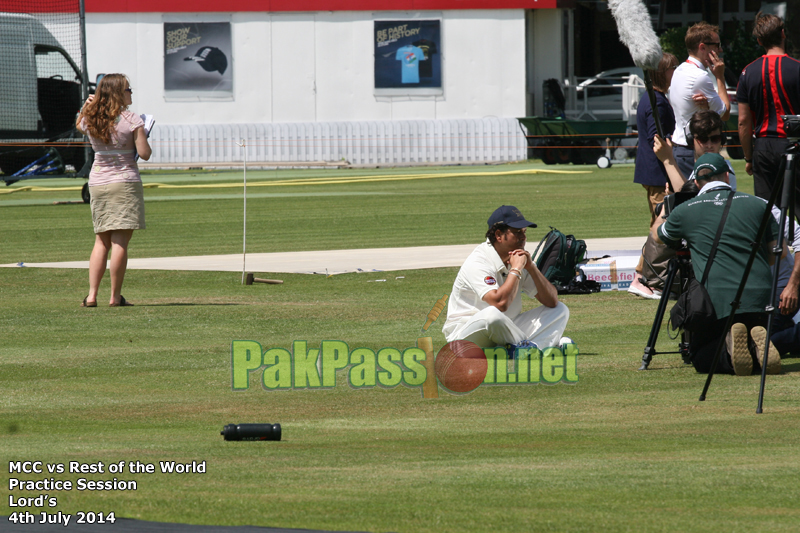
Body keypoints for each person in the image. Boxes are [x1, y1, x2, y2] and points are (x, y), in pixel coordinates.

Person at [653, 153, 782, 375]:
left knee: (701, 356)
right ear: (726, 177)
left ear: (695, 182)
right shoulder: (759, 205)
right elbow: (776, 255)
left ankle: (730, 355)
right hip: (761, 298)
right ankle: (754, 343)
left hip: (717, 302)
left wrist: (665, 207)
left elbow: (658, 237)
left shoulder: (686, 210)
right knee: (749, 326)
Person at [442, 206, 570, 351]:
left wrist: (531, 268)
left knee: (560, 309)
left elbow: (551, 301)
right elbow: (500, 303)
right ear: (498, 235)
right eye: (517, 232)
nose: (523, 237)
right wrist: (515, 270)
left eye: (524, 231)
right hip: (465, 335)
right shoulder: (478, 261)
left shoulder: (519, 258)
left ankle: (529, 347)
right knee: (492, 315)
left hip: (506, 328)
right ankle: (542, 344)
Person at [76, 74, 151, 307]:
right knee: (120, 242)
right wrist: (144, 133)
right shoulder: (132, 119)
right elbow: (145, 154)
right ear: (119, 93)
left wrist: (85, 106)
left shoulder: (91, 117)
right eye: (128, 90)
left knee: (101, 241)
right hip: (125, 182)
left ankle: (91, 295)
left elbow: (79, 125)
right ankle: (114, 296)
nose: (130, 94)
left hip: (98, 182)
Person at [737, 13, 800, 210]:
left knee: (769, 212)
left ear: (759, 40)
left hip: (763, 147)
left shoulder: (748, 72)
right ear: (783, 34)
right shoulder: (797, 68)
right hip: (793, 144)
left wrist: (749, 157)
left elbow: (743, 121)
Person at [628, 52, 679, 300]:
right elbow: (655, 139)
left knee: (657, 223)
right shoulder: (656, 101)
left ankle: (642, 276)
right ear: (662, 72)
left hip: (652, 171)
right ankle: (641, 277)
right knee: (659, 225)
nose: (675, 72)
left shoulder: (652, 97)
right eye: (673, 68)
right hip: (658, 173)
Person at [668, 21, 731, 178]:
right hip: (694, 149)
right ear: (703, 47)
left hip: (680, 147)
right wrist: (720, 76)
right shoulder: (699, 76)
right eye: (717, 45)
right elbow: (725, 113)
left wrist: (708, 109)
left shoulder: (680, 70)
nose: (720, 49)